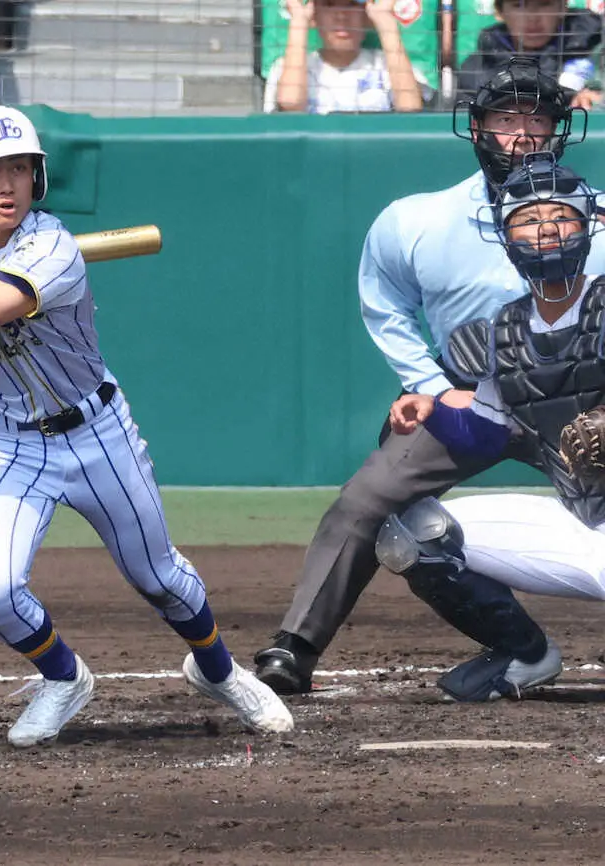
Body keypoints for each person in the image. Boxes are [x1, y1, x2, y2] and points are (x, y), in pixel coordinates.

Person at [0, 104, 294, 747]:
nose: (7, 184)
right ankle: (63, 678)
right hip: (8, 444)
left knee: (159, 579)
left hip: (97, 432)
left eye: (19, 167)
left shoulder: (52, 246)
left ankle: (216, 669)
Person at [253, 56, 605, 695]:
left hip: (581, 403)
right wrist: (432, 387)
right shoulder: (415, 220)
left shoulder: (597, 216)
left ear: (561, 130)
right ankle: (297, 645)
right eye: (506, 118)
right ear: (477, 129)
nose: (523, 132)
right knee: (373, 501)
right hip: (471, 393)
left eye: (538, 117)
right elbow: (384, 305)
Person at [376, 155, 601, 701]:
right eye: (528, 218)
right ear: (505, 236)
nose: (545, 229)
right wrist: (431, 406)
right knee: (412, 536)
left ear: (586, 224)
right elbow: (485, 432)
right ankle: (524, 655)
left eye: (560, 216)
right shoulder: (504, 332)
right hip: (588, 526)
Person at [263, 0, 429, 114]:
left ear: (366, 15)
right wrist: (299, 22)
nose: (341, 15)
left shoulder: (390, 66)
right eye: (329, 4)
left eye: (351, 4)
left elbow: (410, 109)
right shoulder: (290, 67)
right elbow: (291, 105)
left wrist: (386, 24)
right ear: (314, 15)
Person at [456, 0, 602, 111]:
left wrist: (597, 100)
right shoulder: (477, 68)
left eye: (544, 3)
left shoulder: (596, 49)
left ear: (562, 7)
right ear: (499, 12)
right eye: (518, 5)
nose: (532, 17)